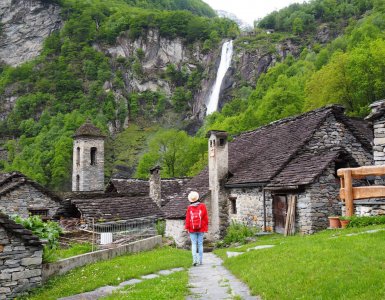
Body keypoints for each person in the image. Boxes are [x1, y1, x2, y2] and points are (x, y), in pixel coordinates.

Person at [185, 191, 208, 266]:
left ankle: (194, 260)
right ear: (197, 198)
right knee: (200, 244)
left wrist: (187, 228)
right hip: (201, 228)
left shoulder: (189, 207)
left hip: (192, 229)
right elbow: (205, 218)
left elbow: (188, 218)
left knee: (194, 244)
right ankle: (200, 261)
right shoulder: (203, 206)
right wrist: (206, 227)